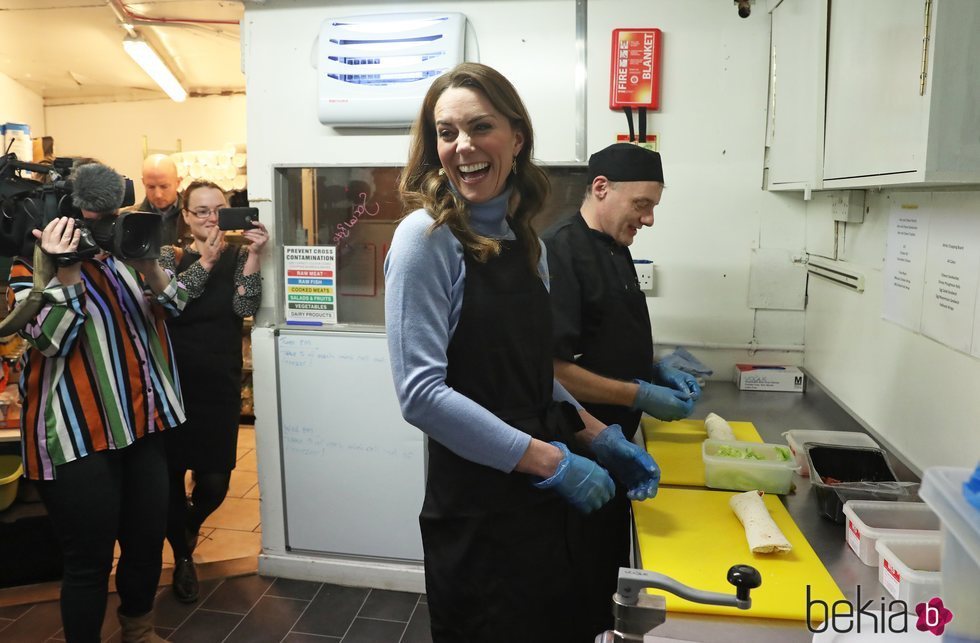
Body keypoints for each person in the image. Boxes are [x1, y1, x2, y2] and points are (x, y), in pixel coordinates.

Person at [384, 63, 660, 643]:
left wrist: (596, 435)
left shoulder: (523, 240)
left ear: (517, 136)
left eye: (480, 127)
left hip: (538, 503)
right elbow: (422, 397)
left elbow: (535, 372)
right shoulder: (426, 239)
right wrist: (552, 462)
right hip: (480, 509)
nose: (462, 147)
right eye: (446, 132)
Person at [7, 162, 187, 642]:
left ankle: (138, 629)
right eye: (92, 221)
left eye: (111, 218)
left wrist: (148, 261)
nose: (102, 229)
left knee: (146, 544)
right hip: (78, 437)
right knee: (88, 560)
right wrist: (65, 269)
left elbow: (176, 308)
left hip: (142, 426)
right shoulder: (29, 272)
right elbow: (50, 341)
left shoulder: (130, 260)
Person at [542, 142, 702, 637]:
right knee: (576, 585)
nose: (649, 219)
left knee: (604, 580)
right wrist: (639, 395)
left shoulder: (616, 247)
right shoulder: (561, 250)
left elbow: (605, 337)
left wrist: (653, 368)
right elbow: (552, 369)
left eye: (653, 207)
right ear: (601, 188)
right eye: (642, 205)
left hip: (615, 447)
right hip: (579, 450)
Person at [159, 180, 267, 603]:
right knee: (169, 479)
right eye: (199, 210)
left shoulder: (241, 255)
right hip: (171, 385)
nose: (208, 218)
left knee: (216, 481)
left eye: (216, 209)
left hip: (219, 382)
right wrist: (204, 261)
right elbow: (171, 302)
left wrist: (255, 254)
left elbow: (244, 307)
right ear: (185, 216)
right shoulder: (170, 256)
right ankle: (183, 558)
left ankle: (192, 520)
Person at [136, 154, 182, 245]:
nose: (158, 195)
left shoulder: (195, 215)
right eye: (151, 187)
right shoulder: (132, 218)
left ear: (178, 182)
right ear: (143, 182)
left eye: (164, 187)